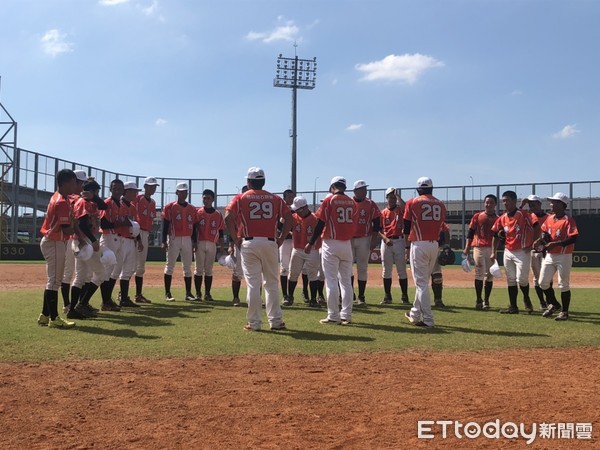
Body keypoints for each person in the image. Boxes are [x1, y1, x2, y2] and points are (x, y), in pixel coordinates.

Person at [224, 167, 291, 331]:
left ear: (248, 182)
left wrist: (234, 238)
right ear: (264, 181)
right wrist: (281, 238)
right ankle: (275, 321)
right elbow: (289, 217)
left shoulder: (241, 197)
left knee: (254, 284)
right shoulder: (274, 198)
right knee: (272, 284)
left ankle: (254, 323)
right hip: (270, 242)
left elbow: (227, 216)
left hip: (249, 242)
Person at [306, 176, 356, 325]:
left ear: (333, 185)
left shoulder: (329, 200)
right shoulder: (352, 202)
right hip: (346, 243)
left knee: (331, 281)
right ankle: (346, 315)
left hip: (331, 242)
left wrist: (311, 242)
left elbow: (320, 223)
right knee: (346, 282)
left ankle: (333, 315)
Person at [37, 169, 79, 328]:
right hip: (54, 241)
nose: (75, 185)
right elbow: (67, 229)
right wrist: (78, 225)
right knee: (54, 281)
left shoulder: (60, 197)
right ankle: (54, 318)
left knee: (53, 280)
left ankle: (45, 315)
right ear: (66, 183)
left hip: (54, 241)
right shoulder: (61, 201)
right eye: (74, 182)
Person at [403, 177, 446, 328]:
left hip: (419, 244)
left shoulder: (412, 202)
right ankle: (414, 313)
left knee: (421, 284)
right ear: (432, 188)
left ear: (418, 189)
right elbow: (441, 227)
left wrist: (406, 248)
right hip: (434, 244)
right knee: (423, 283)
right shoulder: (440, 204)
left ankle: (428, 319)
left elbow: (406, 228)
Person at [491, 190, 540, 314]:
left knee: (522, 279)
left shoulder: (523, 214)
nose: (505, 203)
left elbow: (536, 226)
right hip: (508, 251)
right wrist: (493, 251)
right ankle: (513, 306)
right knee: (511, 279)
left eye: (507, 200)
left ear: (514, 201)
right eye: (503, 201)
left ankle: (526, 299)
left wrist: (534, 243)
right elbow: (495, 234)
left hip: (522, 251)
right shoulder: (502, 218)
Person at [69, 180, 110, 319]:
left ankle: (74, 309)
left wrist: (92, 194)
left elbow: (104, 205)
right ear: (91, 191)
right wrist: (93, 240)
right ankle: (82, 304)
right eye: (96, 192)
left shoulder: (89, 201)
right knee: (101, 273)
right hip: (84, 240)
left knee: (81, 277)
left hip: (81, 240)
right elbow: (82, 224)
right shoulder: (83, 202)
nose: (98, 195)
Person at [536, 193, 579, 321]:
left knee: (563, 284)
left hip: (564, 255)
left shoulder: (568, 220)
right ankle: (554, 304)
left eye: (554, 202)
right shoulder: (549, 218)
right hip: (550, 255)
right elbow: (545, 234)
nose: (551, 204)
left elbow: (574, 238)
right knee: (542, 282)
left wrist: (557, 243)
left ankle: (565, 312)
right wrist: (540, 240)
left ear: (561, 204)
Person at [162, 182, 197, 302]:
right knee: (170, 265)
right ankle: (167, 293)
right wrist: (163, 240)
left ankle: (188, 293)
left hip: (187, 238)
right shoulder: (170, 207)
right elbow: (165, 224)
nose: (183, 194)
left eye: (185, 191)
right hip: (173, 237)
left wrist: (195, 241)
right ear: (176, 192)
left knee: (187, 266)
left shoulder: (192, 208)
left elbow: (195, 226)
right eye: (181, 191)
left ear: (187, 193)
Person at [463, 194, 498, 310]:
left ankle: (486, 300)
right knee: (479, 272)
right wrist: (467, 247)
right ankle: (479, 299)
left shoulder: (498, 219)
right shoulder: (477, 216)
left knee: (489, 275)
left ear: (495, 204)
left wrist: (495, 249)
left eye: (491, 202)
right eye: (487, 202)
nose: (488, 204)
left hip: (491, 249)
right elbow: (470, 232)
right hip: (478, 247)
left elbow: (500, 236)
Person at [285, 196, 322, 308]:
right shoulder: (294, 217)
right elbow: (285, 226)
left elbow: (318, 233)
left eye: (297, 209)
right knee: (293, 274)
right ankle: (290, 297)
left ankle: (313, 300)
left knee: (312, 275)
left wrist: (311, 244)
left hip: (312, 250)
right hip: (297, 249)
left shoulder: (315, 218)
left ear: (304, 208)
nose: (295, 211)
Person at [60, 170, 88, 313]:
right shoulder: (73, 198)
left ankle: (74, 305)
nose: (82, 185)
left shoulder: (73, 197)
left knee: (79, 273)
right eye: (81, 182)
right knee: (71, 273)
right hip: (70, 239)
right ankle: (68, 305)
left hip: (74, 238)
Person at [98, 179, 127, 312]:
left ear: (122, 190)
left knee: (114, 271)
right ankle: (105, 302)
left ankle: (108, 300)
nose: (116, 190)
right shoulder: (107, 203)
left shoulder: (120, 204)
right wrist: (118, 224)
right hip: (108, 237)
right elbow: (103, 223)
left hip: (117, 238)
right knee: (106, 271)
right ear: (110, 189)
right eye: (114, 188)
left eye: (119, 188)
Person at [351, 180, 381, 305]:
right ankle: (349, 292)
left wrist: (374, 238)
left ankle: (361, 296)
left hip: (364, 238)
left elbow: (377, 222)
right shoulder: (348, 202)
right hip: (349, 238)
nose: (365, 191)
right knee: (347, 267)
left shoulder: (370, 203)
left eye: (365, 189)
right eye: (362, 189)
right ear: (356, 191)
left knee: (362, 267)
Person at [113, 181, 143, 307]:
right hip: (121, 240)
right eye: (134, 191)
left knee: (128, 270)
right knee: (115, 270)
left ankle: (124, 299)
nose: (136, 193)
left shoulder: (133, 207)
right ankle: (107, 299)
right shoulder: (118, 204)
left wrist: (139, 240)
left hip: (131, 240)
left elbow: (136, 225)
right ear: (128, 191)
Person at [378, 187, 409, 305]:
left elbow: (407, 208)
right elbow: (379, 229)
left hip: (399, 241)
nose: (391, 199)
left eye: (393, 197)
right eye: (389, 197)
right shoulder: (383, 213)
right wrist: (385, 238)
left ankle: (404, 296)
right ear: (386, 198)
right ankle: (387, 296)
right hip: (387, 242)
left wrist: (398, 197)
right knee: (386, 270)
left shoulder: (400, 210)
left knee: (401, 270)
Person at [520, 195, 550, 310]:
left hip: (546, 250)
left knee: (547, 277)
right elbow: (515, 215)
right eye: (530, 204)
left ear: (540, 204)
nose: (532, 206)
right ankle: (542, 302)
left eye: (534, 204)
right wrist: (522, 205)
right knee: (537, 278)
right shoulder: (528, 216)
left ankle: (549, 301)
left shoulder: (548, 217)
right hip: (532, 250)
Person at [193, 189, 224, 301]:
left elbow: (221, 231)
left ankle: (207, 293)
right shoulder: (198, 212)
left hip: (212, 243)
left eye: (208, 198)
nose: (206, 200)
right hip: (200, 242)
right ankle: (198, 294)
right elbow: (194, 229)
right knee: (198, 269)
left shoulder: (218, 214)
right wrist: (194, 242)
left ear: (212, 200)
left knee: (209, 269)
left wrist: (221, 247)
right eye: (204, 198)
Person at [132, 176, 159, 303]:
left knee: (141, 266)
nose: (152, 188)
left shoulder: (153, 203)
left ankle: (138, 295)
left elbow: (152, 219)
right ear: (145, 186)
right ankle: (122, 294)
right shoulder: (137, 199)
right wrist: (137, 237)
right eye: (150, 186)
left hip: (145, 233)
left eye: (154, 186)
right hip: (135, 232)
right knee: (130, 264)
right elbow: (132, 217)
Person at [279, 189, 295, 302]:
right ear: (284, 198)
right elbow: (279, 227)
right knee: (284, 268)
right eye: (289, 197)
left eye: (292, 197)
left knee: (295, 268)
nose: (291, 199)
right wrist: (287, 232)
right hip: (285, 241)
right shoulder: (282, 210)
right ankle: (285, 295)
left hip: (296, 242)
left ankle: (292, 294)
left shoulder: (296, 210)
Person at [430, 223, 450, 308]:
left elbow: (446, 230)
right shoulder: (438, 219)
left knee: (436, 275)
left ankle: (438, 299)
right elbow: (446, 231)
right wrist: (447, 246)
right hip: (434, 246)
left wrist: (446, 246)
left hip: (426, 246)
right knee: (436, 274)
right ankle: (437, 299)